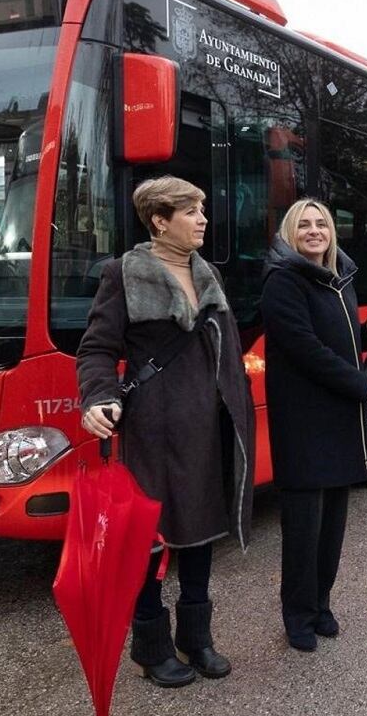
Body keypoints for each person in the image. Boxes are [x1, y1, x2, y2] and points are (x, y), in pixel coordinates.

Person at [76, 177, 255, 688]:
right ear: (159, 219)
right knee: (147, 540)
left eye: (202, 209)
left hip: (210, 425)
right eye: (191, 211)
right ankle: (151, 646)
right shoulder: (124, 273)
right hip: (153, 430)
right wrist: (97, 396)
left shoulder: (208, 273)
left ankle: (196, 639)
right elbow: (96, 348)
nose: (203, 219)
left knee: (201, 531)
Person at [261, 198, 367, 652]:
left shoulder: (337, 279)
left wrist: (365, 333)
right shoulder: (284, 281)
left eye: (321, 223)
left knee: (332, 525)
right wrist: (364, 386)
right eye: (304, 224)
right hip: (304, 423)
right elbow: (306, 349)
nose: (314, 231)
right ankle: (298, 616)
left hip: (338, 419)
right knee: (303, 529)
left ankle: (320, 605)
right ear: (290, 233)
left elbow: (336, 342)